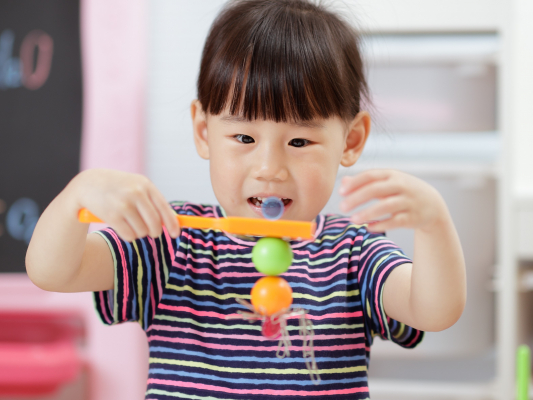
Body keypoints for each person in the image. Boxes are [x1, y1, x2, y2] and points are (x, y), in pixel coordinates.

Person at [26, 0, 466, 398]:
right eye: (243, 137)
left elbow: (434, 310)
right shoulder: (169, 241)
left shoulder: (355, 253)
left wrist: (434, 224)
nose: (269, 168)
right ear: (204, 132)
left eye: (298, 142)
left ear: (350, 141)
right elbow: (52, 271)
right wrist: (77, 195)